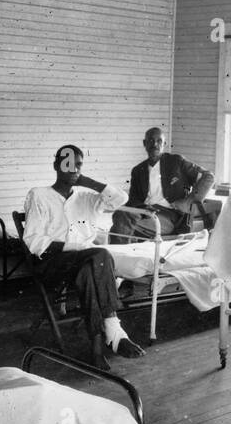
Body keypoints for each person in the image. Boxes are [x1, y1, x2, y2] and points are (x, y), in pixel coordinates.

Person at [22, 145, 144, 366]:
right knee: (99, 255)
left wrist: (86, 181)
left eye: (78, 164)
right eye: (67, 164)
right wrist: (76, 246)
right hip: (52, 264)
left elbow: (120, 199)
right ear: (55, 166)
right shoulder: (38, 195)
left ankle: (97, 350)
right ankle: (114, 331)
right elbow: (34, 241)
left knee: (90, 269)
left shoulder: (87, 198)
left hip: (86, 265)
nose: (73, 169)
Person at [111, 127, 217, 239]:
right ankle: (120, 251)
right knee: (120, 214)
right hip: (144, 212)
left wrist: (188, 201)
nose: (155, 144)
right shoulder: (138, 170)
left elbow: (208, 177)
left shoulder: (176, 162)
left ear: (164, 144)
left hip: (170, 215)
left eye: (159, 141)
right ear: (144, 143)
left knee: (122, 225)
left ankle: (117, 253)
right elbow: (133, 199)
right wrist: (143, 208)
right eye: (151, 141)